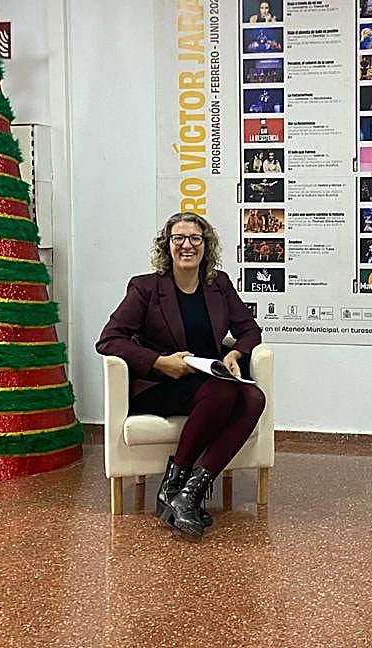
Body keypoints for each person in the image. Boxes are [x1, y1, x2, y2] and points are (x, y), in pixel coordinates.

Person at [96, 213, 265, 540]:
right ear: (167, 245)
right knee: (223, 392)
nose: (187, 245)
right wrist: (160, 362)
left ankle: (187, 493)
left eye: (195, 239)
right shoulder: (146, 287)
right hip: (162, 384)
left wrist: (234, 354)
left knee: (254, 398)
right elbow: (109, 339)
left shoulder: (219, 284)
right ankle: (175, 489)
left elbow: (249, 330)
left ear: (206, 245)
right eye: (179, 238)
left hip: (208, 382)